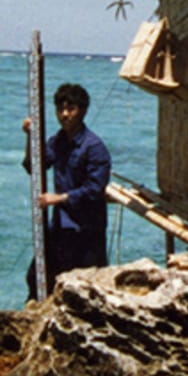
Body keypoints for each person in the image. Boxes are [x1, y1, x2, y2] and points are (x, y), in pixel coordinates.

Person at [22, 81, 112, 300]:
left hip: (86, 232)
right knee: (36, 278)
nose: (64, 115)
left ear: (82, 111)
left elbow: (94, 190)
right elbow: (34, 166)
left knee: (84, 291)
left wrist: (59, 198)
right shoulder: (58, 141)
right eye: (60, 109)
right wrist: (30, 137)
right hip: (61, 227)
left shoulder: (94, 148)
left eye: (70, 109)